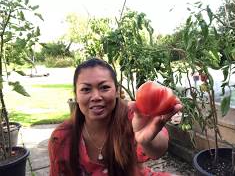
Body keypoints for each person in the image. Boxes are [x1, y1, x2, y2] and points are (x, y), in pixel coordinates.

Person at [48, 58, 183, 176]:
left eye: (104, 87)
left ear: (117, 91)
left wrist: (147, 141)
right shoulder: (61, 138)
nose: (96, 97)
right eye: (86, 89)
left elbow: (158, 150)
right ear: (76, 95)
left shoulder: (134, 118)